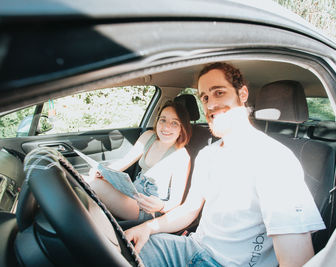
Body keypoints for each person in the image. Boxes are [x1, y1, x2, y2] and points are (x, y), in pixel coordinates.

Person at [125, 62, 325, 267]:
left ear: (242, 94)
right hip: (193, 248)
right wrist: (148, 227)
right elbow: (190, 209)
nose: (210, 105)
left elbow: (297, 261)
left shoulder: (275, 160)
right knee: (124, 250)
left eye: (219, 93)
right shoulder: (207, 155)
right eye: (204, 97)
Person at [89, 100, 192, 223]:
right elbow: (125, 161)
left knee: (93, 184)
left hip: (146, 209)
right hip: (132, 191)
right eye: (163, 120)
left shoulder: (181, 156)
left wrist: (161, 206)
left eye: (174, 123)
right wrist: (102, 171)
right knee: (90, 178)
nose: (166, 127)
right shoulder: (149, 136)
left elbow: (176, 201)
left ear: (182, 128)